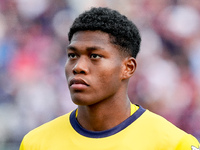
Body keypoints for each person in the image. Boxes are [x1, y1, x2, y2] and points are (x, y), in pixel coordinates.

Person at [20, 7, 200, 150]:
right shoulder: (36, 143)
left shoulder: (172, 144)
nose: (78, 67)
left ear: (127, 68)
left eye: (95, 56)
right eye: (73, 55)